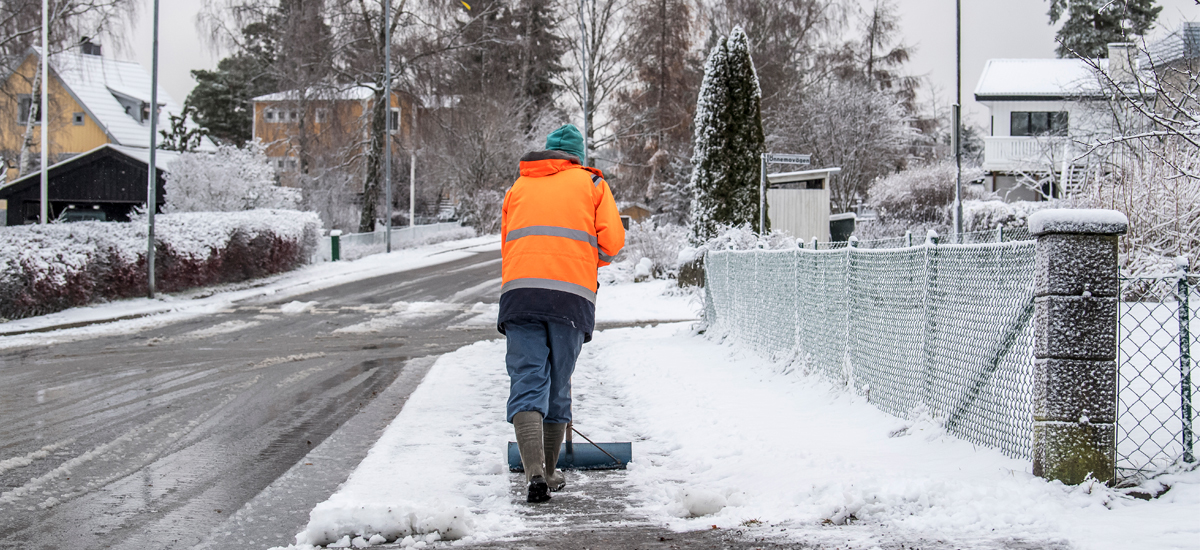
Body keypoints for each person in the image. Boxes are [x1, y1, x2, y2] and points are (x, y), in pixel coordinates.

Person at [498, 123, 625, 503]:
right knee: (558, 381)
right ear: (576, 158)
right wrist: (586, 257)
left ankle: (532, 471)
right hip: (570, 295)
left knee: (527, 378)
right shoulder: (592, 185)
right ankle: (549, 471)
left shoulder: (518, 187)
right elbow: (612, 243)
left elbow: (507, 242)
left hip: (520, 294)